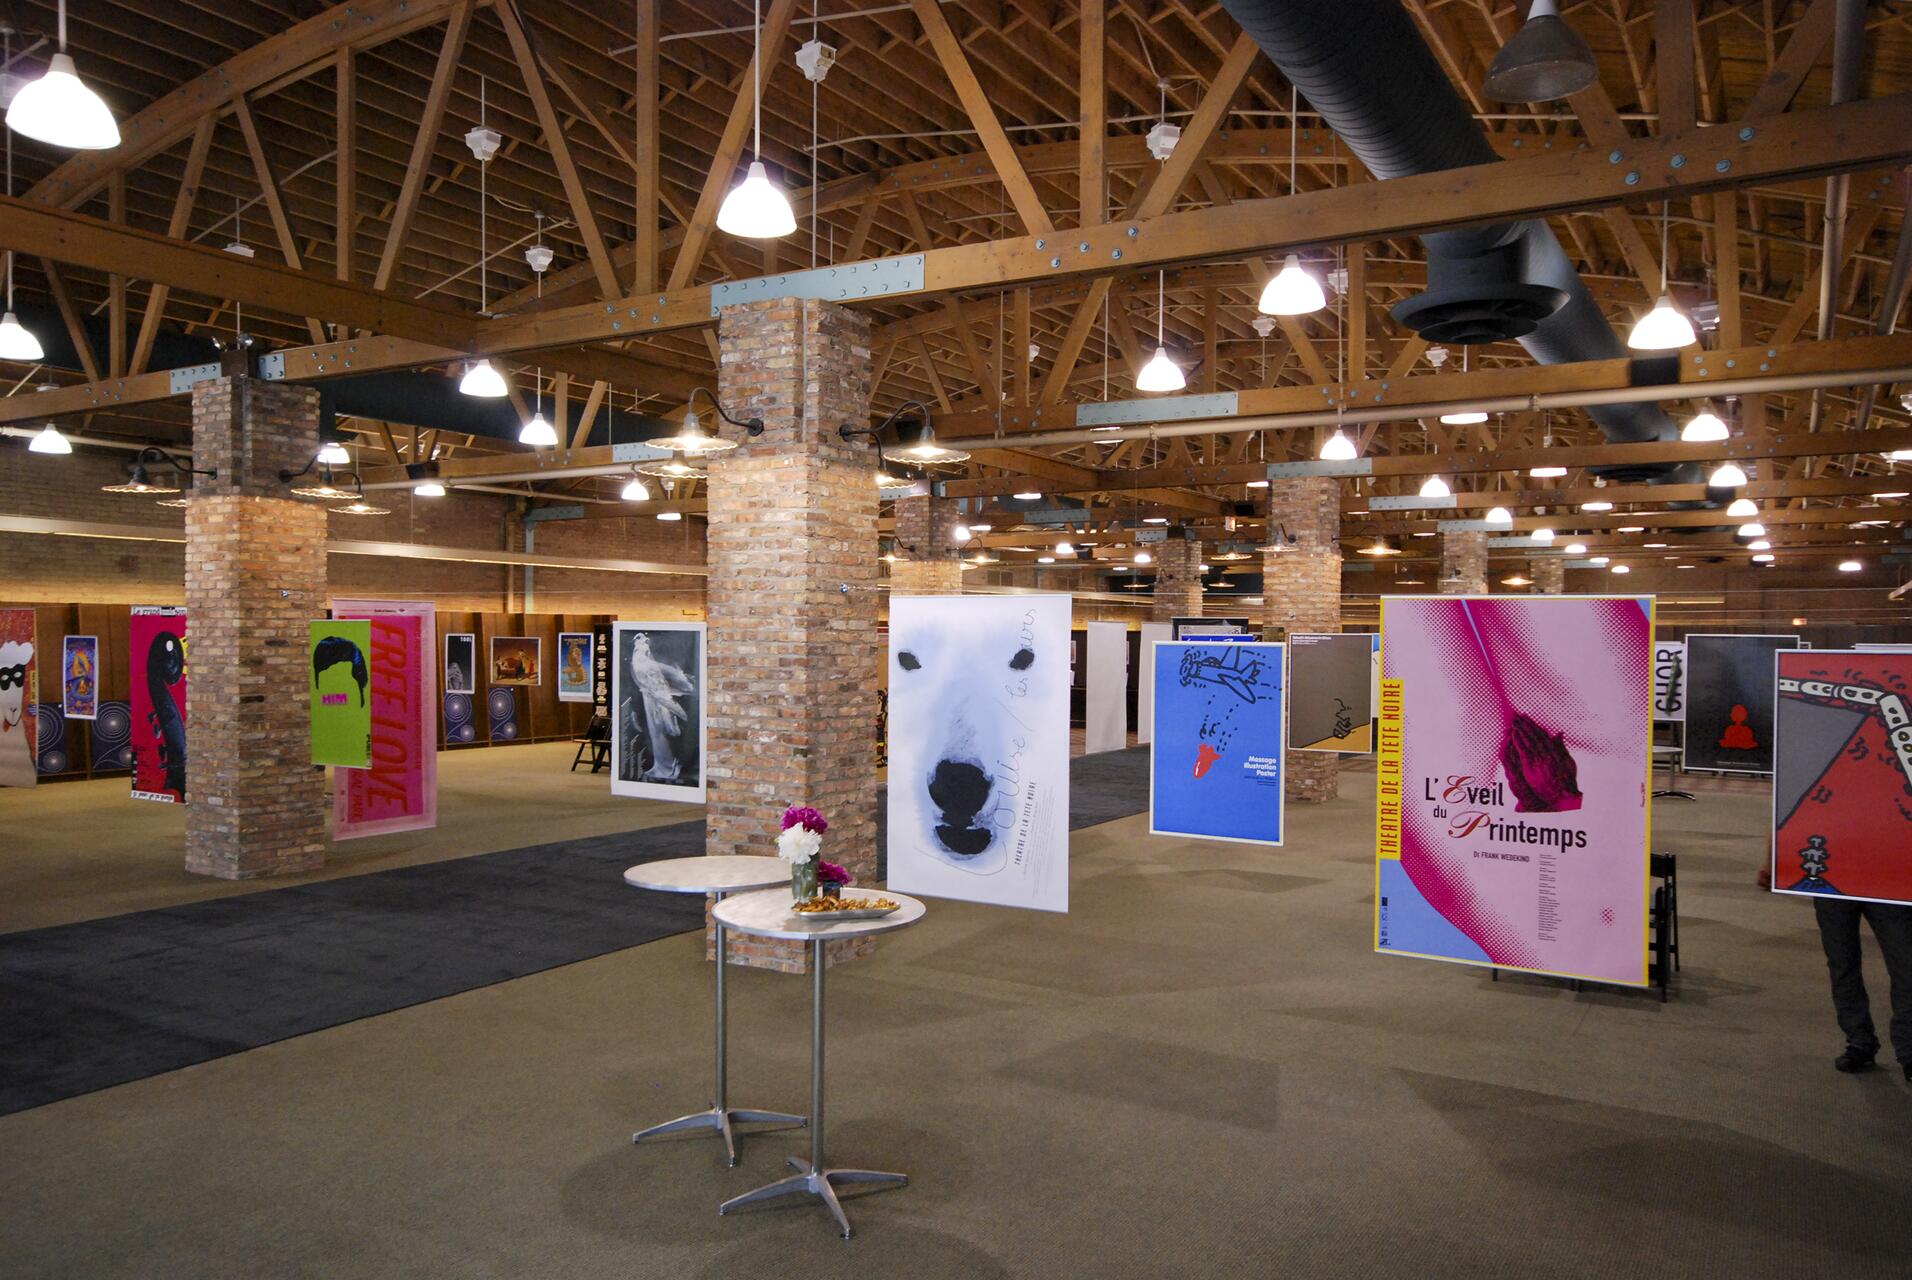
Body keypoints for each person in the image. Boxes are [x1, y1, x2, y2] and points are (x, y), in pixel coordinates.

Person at [1815, 896, 1912, 1082]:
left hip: (1887, 881)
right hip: (1833, 883)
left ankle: (1909, 1049)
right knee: (1842, 965)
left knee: (1906, 966)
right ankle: (1859, 1041)